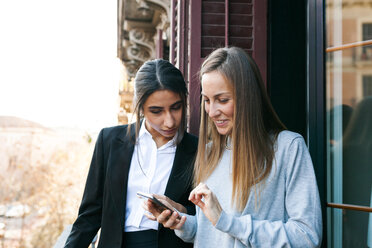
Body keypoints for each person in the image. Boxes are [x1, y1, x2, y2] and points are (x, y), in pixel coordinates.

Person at [145, 47, 322, 247]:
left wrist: (227, 221)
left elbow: (306, 237)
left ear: (247, 97)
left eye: (222, 100)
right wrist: (182, 223)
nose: (212, 112)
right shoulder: (210, 151)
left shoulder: (288, 148)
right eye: (207, 100)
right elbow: (212, 232)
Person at [64, 59, 198, 248]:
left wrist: (180, 210)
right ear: (140, 106)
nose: (169, 121)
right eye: (156, 111)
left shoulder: (197, 149)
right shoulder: (109, 140)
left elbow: (204, 216)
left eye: (176, 107)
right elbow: (90, 214)